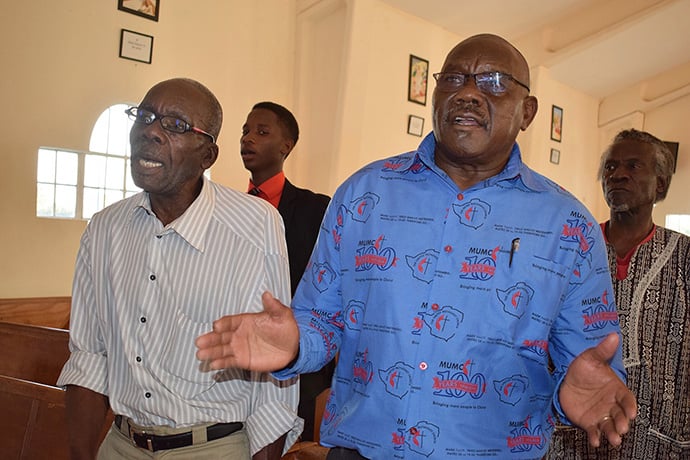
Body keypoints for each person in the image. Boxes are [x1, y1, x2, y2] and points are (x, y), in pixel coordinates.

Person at [196, 34, 637, 459]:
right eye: (453, 79)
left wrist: (569, 392)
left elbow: (591, 368)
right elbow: (320, 320)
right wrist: (294, 344)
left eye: (493, 83)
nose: (467, 93)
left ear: (528, 111)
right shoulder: (363, 195)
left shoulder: (569, 226)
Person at [57, 78, 301, 460]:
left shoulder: (255, 225)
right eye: (146, 116)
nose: (151, 131)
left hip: (211, 447)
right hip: (122, 443)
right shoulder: (104, 228)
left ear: (208, 156)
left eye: (175, 125)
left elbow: (270, 377)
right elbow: (88, 355)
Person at [547, 129, 690, 459]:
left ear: (661, 184)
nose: (619, 174)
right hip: (574, 440)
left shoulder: (683, 255)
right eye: (610, 167)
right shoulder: (572, 250)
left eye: (634, 166)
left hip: (662, 443)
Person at [240, 101, 335, 441]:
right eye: (245, 131)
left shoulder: (315, 209)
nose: (248, 139)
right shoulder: (231, 211)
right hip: (239, 364)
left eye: (261, 132)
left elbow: (327, 285)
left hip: (293, 366)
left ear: (286, 146)